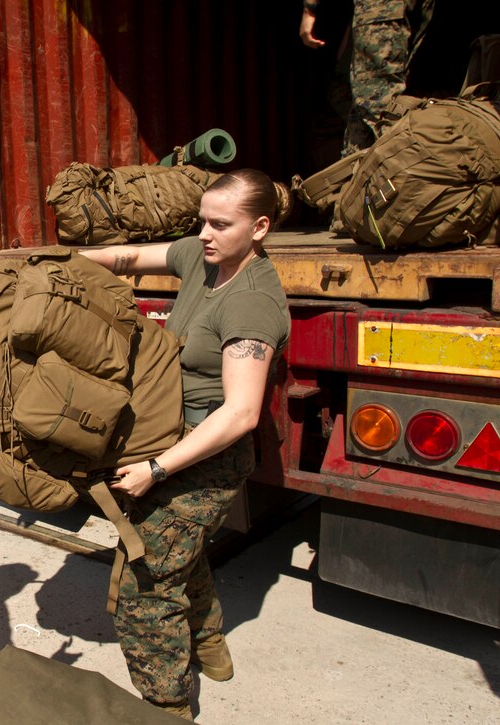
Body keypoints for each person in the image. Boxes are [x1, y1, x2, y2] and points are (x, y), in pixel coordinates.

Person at [81, 169, 291, 720]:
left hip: (207, 457)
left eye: (221, 224)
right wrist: (64, 261)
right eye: (202, 219)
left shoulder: (251, 302)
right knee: (174, 551)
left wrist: (157, 467)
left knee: (145, 585)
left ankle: (168, 708)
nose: (205, 232)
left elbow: (242, 414)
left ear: (260, 227)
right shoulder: (204, 258)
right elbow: (128, 259)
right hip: (169, 437)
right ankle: (210, 643)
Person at [300, 0, 434, 155]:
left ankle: (404, 172)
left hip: (383, 8)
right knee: (368, 109)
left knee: (379, 104)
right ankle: (358, 172)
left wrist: (310, 8)